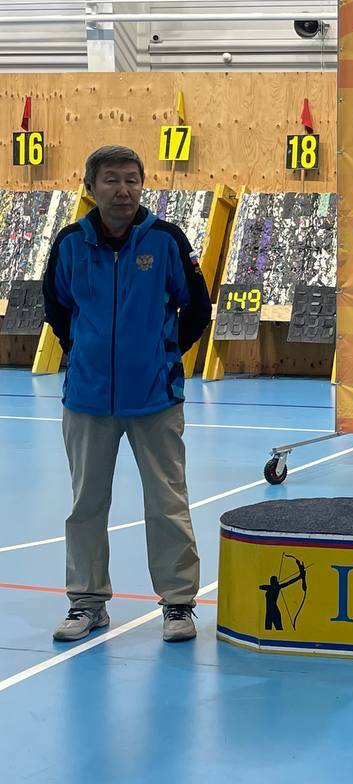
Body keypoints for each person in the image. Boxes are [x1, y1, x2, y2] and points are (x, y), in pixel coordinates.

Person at [42, 145, 212, 643]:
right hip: (87, 400)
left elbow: (197, 308)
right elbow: (57, 307)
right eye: (111, 180)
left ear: (142, 185)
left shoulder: (166, 240)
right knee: (86, 505)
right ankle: (87, 602)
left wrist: (163, 357)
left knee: (167, 503)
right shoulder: (70, 243)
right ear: (90, 187)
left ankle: (178, 604)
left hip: (155, 400)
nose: (123, 190)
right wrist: (84, 353)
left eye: (132, 180)